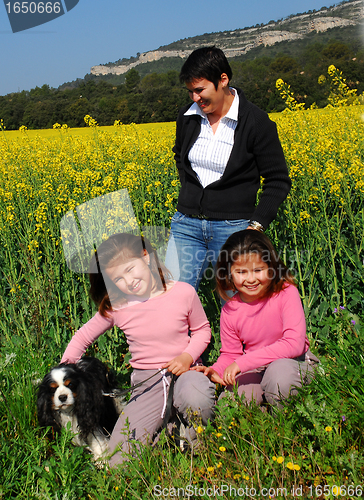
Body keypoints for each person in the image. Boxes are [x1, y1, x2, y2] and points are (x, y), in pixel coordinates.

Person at [61, 233, 215, 465]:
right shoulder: (118, 305)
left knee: (199, 398)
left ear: (147, 258)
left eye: (131, 269)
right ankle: (167, 430)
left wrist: (187, 356)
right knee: (118, 462)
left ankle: (192, 438)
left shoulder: (183, 292)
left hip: (188, 371)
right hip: (148, 382)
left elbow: (203, 330)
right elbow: (83, 336)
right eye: (118, 279)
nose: (129, 281)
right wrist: (65, 372)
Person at [166, 46, 291, 290]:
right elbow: (180, 157)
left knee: (236, 304)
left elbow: (278, 180)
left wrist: (255, 227)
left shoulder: (256, 122)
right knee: (171, 302)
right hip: (186, 225)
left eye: (200, 90)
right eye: (190, 91)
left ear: (223, 80)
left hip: (233, 229)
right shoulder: (187, 116)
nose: (194, 98)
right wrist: (192, 194)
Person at [193, 229, 319, 408]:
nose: (251, 279)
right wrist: (216, 370)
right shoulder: (230, 309)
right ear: (229, 273)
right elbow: (231, 354)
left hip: (294, 362)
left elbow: (294, 344)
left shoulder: (286, 292)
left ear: (271, 267)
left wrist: (242, 363)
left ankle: (286, 427)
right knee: (232, 404)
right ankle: (259, 424)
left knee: (279, 377)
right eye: (241, 272)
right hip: (254, 368)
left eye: (258, 270)